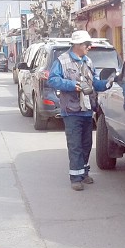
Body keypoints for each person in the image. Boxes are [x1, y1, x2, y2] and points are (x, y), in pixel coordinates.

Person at [47, 30, 115, 191]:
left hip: (86, 110)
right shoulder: (61, 61)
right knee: (75, 145)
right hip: (71, 111)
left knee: (86, 144)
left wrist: (107, 83)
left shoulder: (88, 62)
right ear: (77, 45)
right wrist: (73, 85)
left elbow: (95, 83)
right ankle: (75, 178)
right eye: (86, 44)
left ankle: (84, 173)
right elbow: (52, 80)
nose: (89, 47)